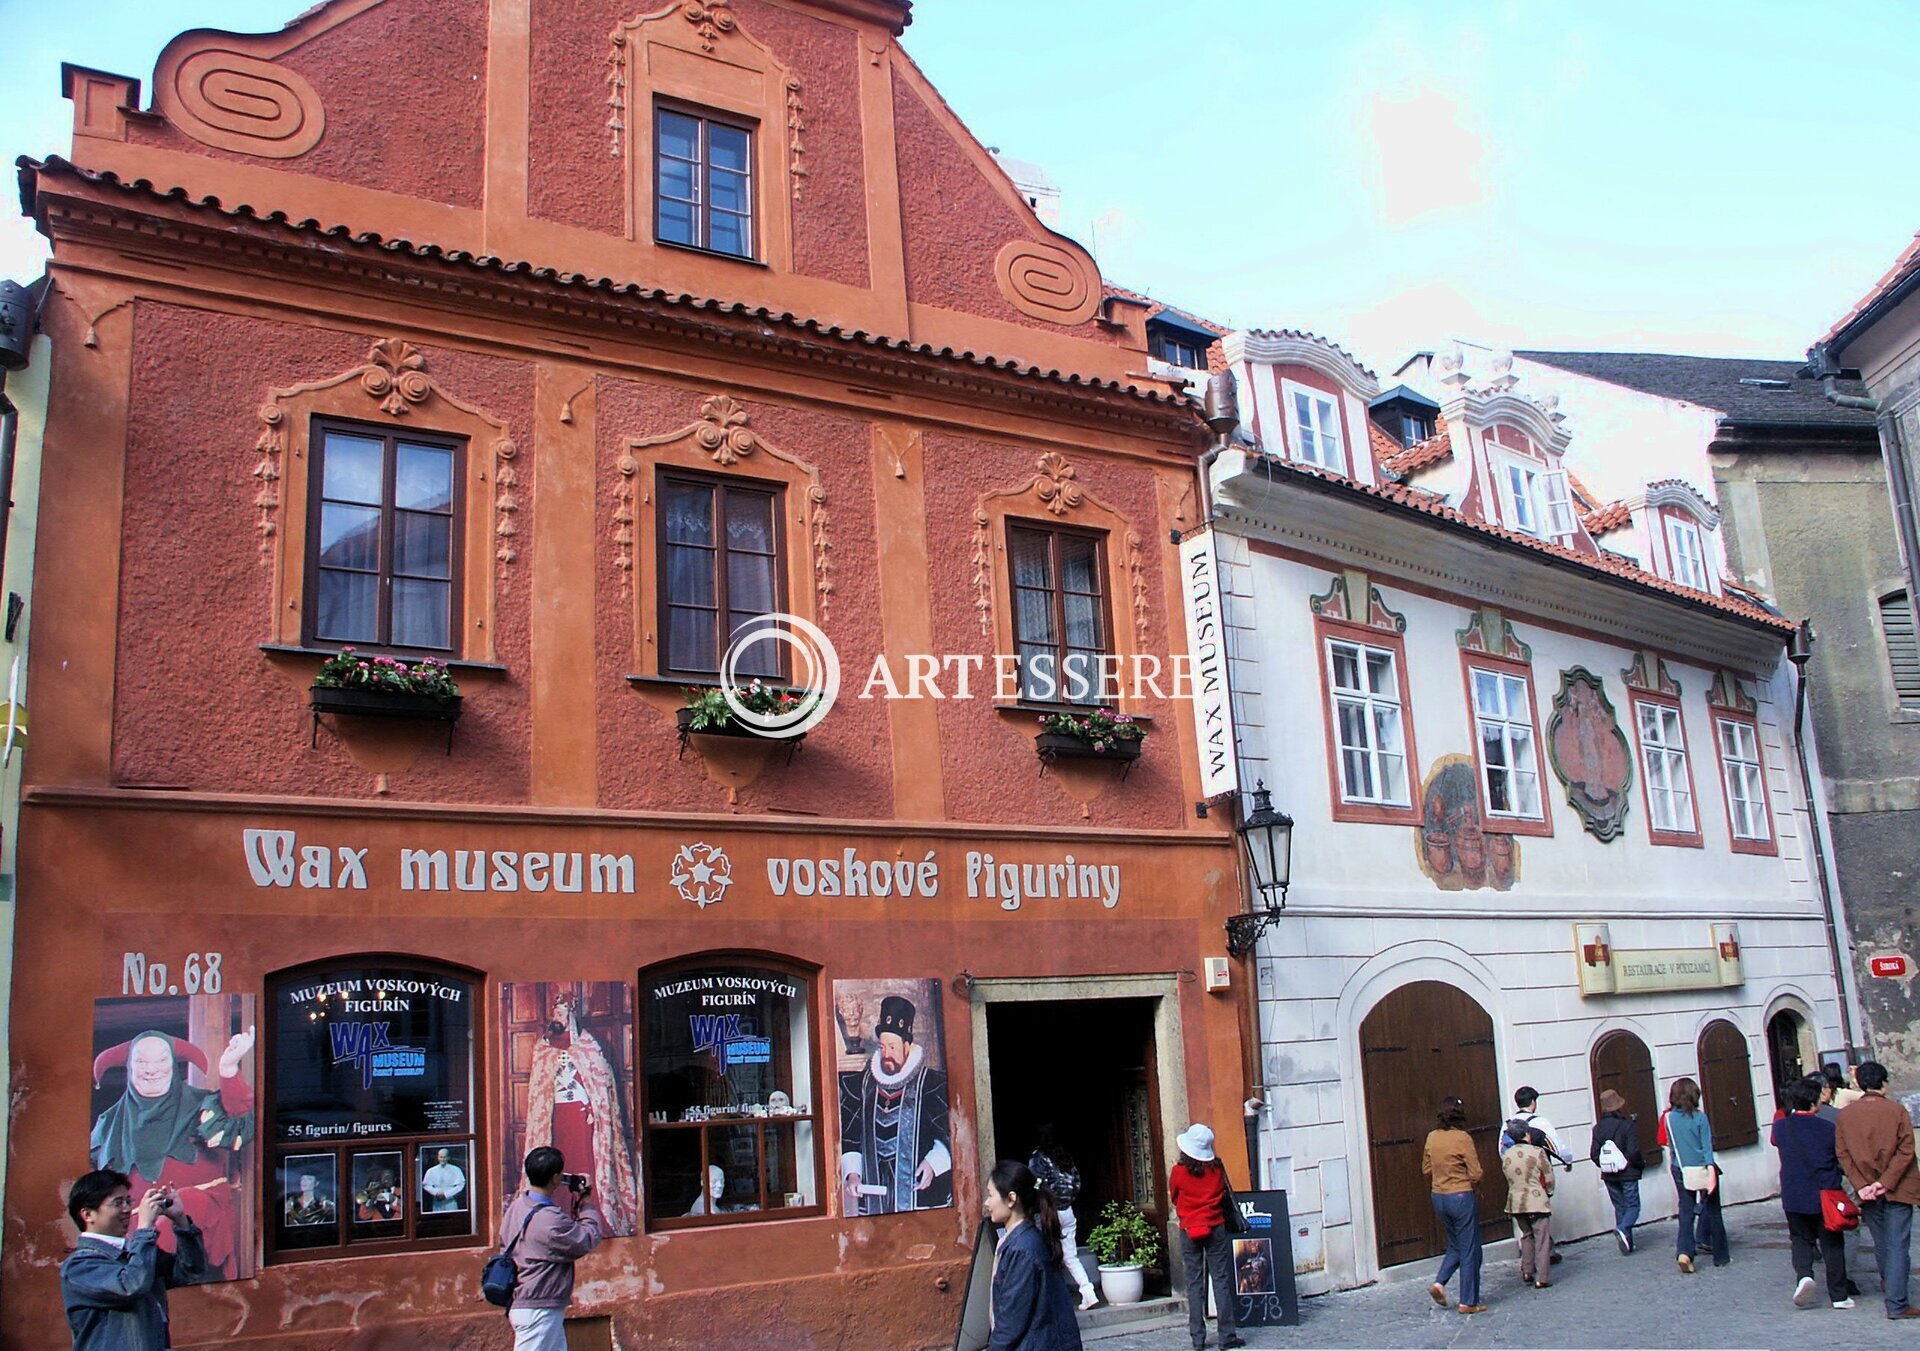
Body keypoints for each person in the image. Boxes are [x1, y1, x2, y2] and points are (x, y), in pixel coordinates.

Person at [88, 1026, 255, 1281]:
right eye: (141, 1061)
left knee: (181, 1206)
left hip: (198, 1225)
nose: (151, 1069)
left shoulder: (203, 1103)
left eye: (161, 1060)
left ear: (174, 1064)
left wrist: (229, 1070)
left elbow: (240, 1118)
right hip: (135, 1232)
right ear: (130, 1067)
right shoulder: (108, 1122)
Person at [524, 992, 638, 1234]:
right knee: (557, 1156)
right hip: (557, 1114)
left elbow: (599, 1078)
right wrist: (557, 1072)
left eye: (565, 1010)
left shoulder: (588, 1044)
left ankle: (589, 1208)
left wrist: (586, 1099)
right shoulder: (544, 1047)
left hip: (580, 1112)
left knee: (583, 1157)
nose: (561, 1015)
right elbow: (540, 1084)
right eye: (558, 1010)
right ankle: (558, 1208)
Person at [61, 1169, 205, 1350]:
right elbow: (131, 1286)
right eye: (118, 1203)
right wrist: (144, 1228)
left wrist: (181, 1222)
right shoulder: (78, 1266)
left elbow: (190, 1270)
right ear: (88, 1214)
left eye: (128, 1201)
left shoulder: (133, 1253)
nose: (127, 1210)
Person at [839, 995, 952, 1214]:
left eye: (892, 1047)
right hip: (874, 1195)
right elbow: (850, 1134)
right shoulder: (862, 1084)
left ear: (907, 1046)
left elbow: (950, 1133)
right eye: (883, 1047)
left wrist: (933, 1164)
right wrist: (853, 1173)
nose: (887, 1054)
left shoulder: (932, 1083)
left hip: (920, 1195)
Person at [498, 1147, 607, 1351]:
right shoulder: (550, 1220)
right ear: (556, 1179)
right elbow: (586, 1239)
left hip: (525, 1298)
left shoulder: (518, 1206)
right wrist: (586, 1204)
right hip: (539, 1304)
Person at [1836, 1059, 1920, 1319]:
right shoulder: (1896, 1111)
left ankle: (1890, 1284)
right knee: (1897, 1244)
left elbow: (1843, 1154)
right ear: (1883, 1084)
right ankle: (1896, 1301)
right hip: (1897, 1187)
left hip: (1867, 1190)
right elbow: (1906, 1151)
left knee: (1882, 1242)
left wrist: (1863, 1186)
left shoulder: (1845, 1115)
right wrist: (1884, 1183)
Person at [983, 1159, 1083, 1351]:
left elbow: (1012, 1318)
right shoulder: (1022, 1241)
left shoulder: (1023, 1248)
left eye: (990, 1195)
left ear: (1011, 1199)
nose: (987, 1203)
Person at [1773, 1074, 1853, 1309]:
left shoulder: (1780, 1127)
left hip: (1793, 1192)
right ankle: (1839, 1295)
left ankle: (1804, 1276)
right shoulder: (1827, 1129)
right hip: (1823, 1192)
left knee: (1799, 1238)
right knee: (1832, 1243)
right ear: (1813, 1102)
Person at [1168, 1123, 1244, 1350]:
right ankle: (1227, 1336)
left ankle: (1198, 1338)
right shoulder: (1216, 1170)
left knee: (1194, 1284)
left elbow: (1174, 1196)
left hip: (1190, 1228)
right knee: (1220, 1281)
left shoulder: (1178, 1172)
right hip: (1215, 1227)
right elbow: (1222, 1195)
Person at [1422, 1096, 1485, 1314]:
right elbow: (1476, 1173)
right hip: (1460, 1195)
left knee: (1455, 1245)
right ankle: (1468, 1301)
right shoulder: (1463, 1138)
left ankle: (1439, 1283)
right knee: (1469, 1249)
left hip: (1438, 1196)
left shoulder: (1432, 1137)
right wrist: (1472, 1182)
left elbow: (1426, 1169)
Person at [1028, 1125, 1098, 1311]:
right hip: (1067, 1210)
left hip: (1047, 1212)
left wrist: (1034, 1205)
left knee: (1043, 1255)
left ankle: (1048, 1300)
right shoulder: (1065, 1158)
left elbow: (1035, 1185)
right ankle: (1088, 1291)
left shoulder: (1038, 1158)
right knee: (1070, 1256)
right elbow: (1076, 1183)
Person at [1664, 1076, 1729, 1272]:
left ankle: (1684, 1251)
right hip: (1700, 1167)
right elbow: (1707, 1148)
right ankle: (1721, 1256)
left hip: (1680, 1167)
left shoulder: (1669, 1118)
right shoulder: (1700, 1118)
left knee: (1685, 1211)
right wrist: (1711, 1172)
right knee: (1713, 1211)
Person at [1589, 1089, 1644, 1254]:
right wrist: (1639, 1164)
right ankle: (1623, 1228)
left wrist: (1606, 1165)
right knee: (1633, 1206)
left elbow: (1593, 1154)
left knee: (1620, 1207)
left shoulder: (1598, 1128)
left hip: (1609, 1175)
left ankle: (1627, 1243)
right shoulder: (1627, 1125)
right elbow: (1633, 1151)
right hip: (1628, 1172)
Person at [1503, 1122, 1556, 1288]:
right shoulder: (1537, 1152)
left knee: (1526, 1235)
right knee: (1542, 1238)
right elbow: (1549, 1177)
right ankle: (1542, 1277)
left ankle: (1527, 1270)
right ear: (1527, 1134)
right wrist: (1549, 1192)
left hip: (1516, 1201)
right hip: (1536, 1199)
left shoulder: (1507, 1154)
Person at [1498, 1086, 1574, 1169]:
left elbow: (1501, 1150)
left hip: (1515, 1173)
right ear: (1533, 1102)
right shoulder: (1539, 1122)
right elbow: (1557, 1147)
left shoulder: (1507, 1124)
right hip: (1537, 1171)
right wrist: (1568, 1161)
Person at [422, 1148, 467, 1213]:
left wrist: (446, 1194)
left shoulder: (456, 1169)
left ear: (448, 1157)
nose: (442, 1159)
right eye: (441, 1157)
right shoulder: (431, 1171)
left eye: (444, 1157)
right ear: (438, 1157)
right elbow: (426, 1185)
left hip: (450, 1201)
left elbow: (461, 1185)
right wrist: (436, 1193)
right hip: (437, 1201)